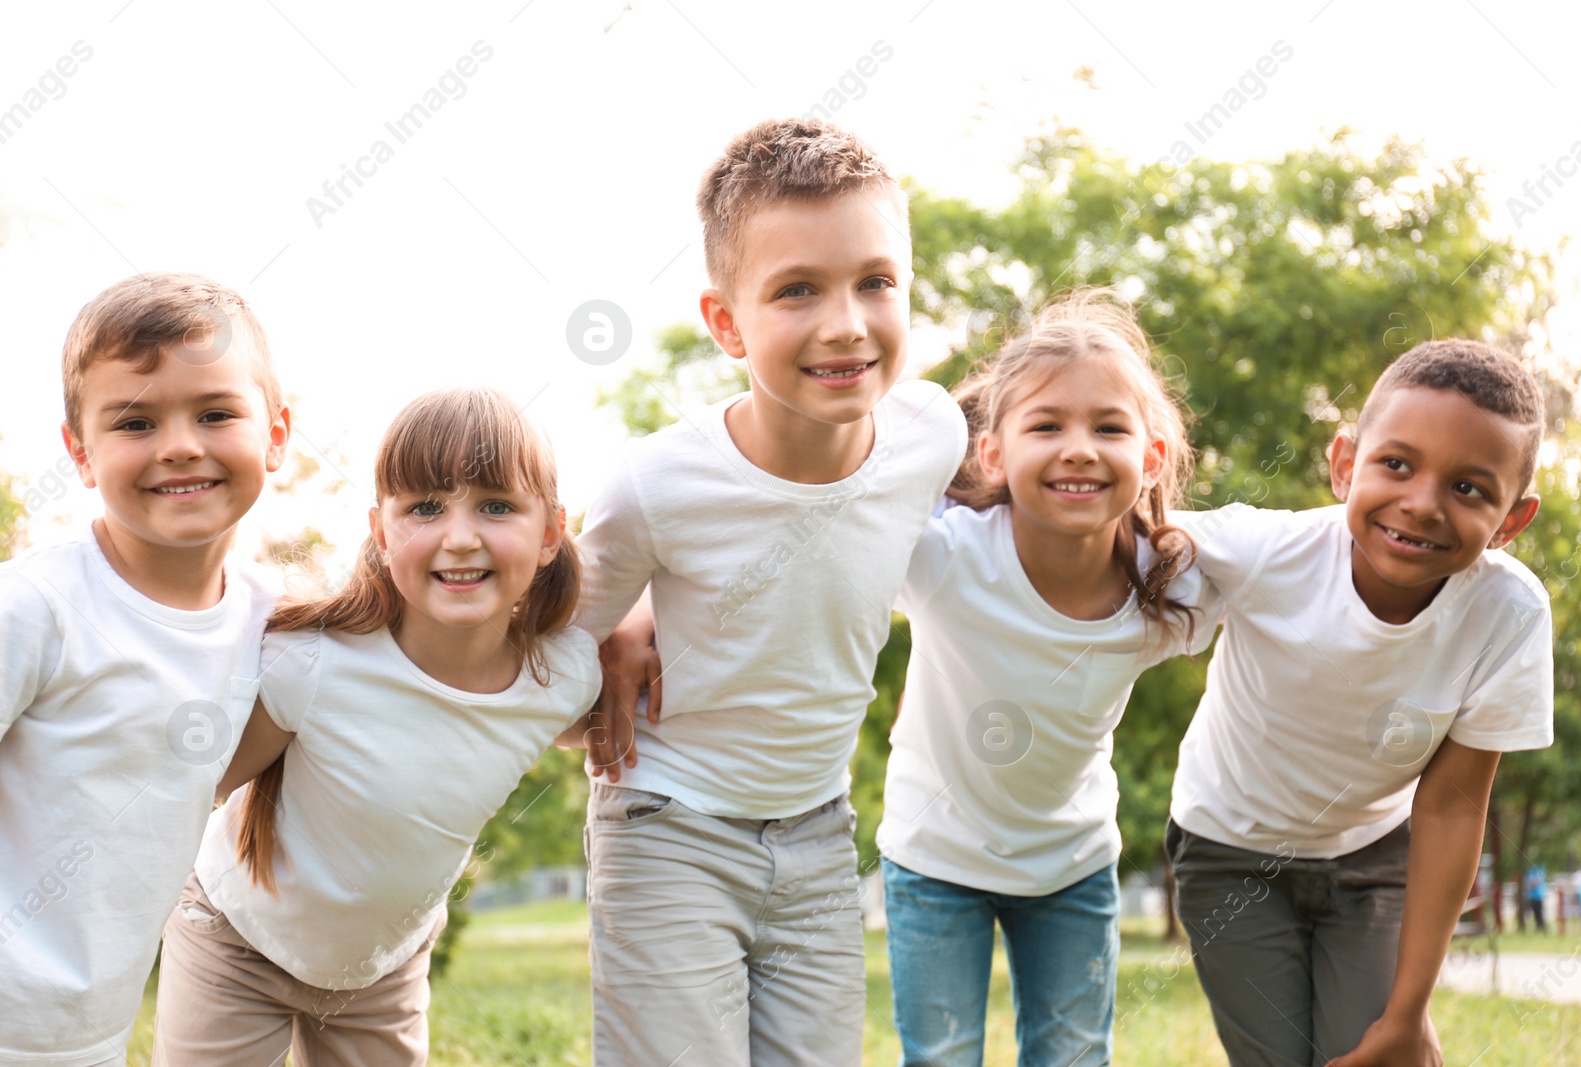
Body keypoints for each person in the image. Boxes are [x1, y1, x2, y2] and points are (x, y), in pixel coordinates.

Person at [576, 118, 967, 1066]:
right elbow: (553, 661)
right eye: (797, 290)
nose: (846, 322)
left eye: (876, 281)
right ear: (725, 323)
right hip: (667, 826)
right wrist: (619, 627)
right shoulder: (658, 485)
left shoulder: (931, 434)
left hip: (819, 833)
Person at [150, 389, 601, 1066]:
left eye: (497, 504)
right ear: (381, 531)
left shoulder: (561, 677)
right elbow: (200, 786)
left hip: (381, 966)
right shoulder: (315, 663)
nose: (460, 535)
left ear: (549, 533)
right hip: (234, 936)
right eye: (424, 506)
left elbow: (557, 724)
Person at [1167, 339, 1555, 1067]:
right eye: (1397, 464)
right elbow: (1111, 534)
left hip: (1373, 851)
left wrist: (1408, 1013)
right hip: (1229, 847)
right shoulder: (1265, 552)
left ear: (1512, 519)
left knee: (1380, 1055)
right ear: (1345, 463)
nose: (1422, 503)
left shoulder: (1509, 613)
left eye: (1469, 488)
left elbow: (1451, 804)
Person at [877, 289, 1222, 1067]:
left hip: (1070, 864)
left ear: (1151, 456)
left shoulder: (1170, 586)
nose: (1079, 447)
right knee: (941, 1056)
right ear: (992, 453)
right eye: (1046, 425)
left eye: (1108, 427)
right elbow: (847, 474)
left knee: (1072, 1056)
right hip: (934, 857)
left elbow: (1297, 565)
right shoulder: (946, 557)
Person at [0, 273, 290, 1067]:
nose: (180, 444)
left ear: (277, 431)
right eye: (135, 420)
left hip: (92, 1025)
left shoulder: (275, 622)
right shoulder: (34, 609)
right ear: (80, 452)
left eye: (216, 412)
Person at [1526, 865, 1548, 933]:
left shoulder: (1537, 872)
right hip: (1533, 897)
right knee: (1536, 915)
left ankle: (1541, 928)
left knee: (1539, 914)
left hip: (1538, 897)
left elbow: (1534, 883)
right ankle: (1539, 928)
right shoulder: (1532, 872)